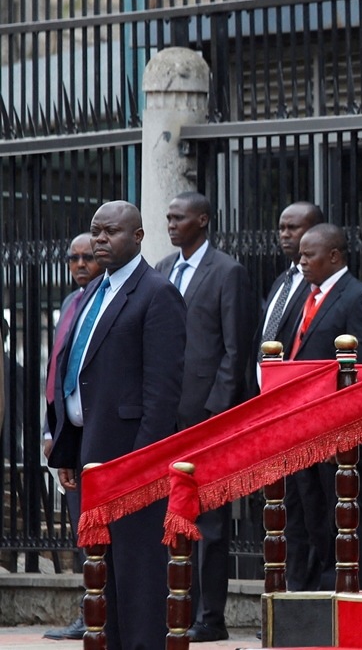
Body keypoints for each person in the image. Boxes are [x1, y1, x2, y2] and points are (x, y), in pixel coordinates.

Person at [47, 201, 187, 650]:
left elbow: (162, 391)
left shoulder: (156, 293)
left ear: (139, 237)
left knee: (137, 568)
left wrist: (144, 460)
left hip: (130, 455)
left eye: (111, 232)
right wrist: (67, 449)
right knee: (99, 568)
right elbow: (76, 372)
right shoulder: (92, 292)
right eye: (95, 232)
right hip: (89, 450)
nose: (101, 240)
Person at [154, 192, 257, 642]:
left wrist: (216, 413)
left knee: (210, 524)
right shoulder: (161, 269)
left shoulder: (227, 272)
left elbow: (236, 350)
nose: (171, 224)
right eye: (168, 218)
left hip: (207, 418)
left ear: (203, 220)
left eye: (179, 217)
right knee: (172, 518)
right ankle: (177, 607)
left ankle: (210, 617)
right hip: (166, 416)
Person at [284, 223, 362, 591]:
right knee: (309, 515)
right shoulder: (305, 296)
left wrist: (342, 429)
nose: (301, 263)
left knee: (340, 516)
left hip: (334, 432)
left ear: (334, 256)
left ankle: (345, 592)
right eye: (299, 255)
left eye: (307, 255)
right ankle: (312, 591)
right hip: (301, 427)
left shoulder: (356, 296)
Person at [41, 233, 103, 642]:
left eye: (87, 257)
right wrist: (50, 429)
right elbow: (58, 368)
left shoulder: (103, 301)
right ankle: (89, 609)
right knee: (80, 529)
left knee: (98, 530)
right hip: (68, 434)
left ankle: (99, 611)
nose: (80, 264)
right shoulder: (69, 303)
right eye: (73, 258)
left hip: (100, 433)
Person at [256, 202, 324, 369]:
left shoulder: (318, 284)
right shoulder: (282, 280)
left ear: (315, 230)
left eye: (292, 228)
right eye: (282, 228)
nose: (285, 234)